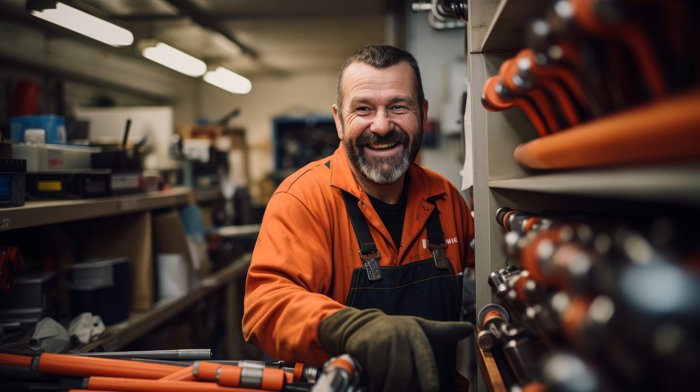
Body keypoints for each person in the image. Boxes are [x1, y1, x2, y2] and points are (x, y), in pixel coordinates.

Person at [243, 44, 475, 391]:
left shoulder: (446, 200)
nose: (381, 127)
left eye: (398, 106)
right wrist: (346, 327)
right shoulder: (304, 199)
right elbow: (266, 306)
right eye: (363, 109)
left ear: (422, 114)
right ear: (338, 120)